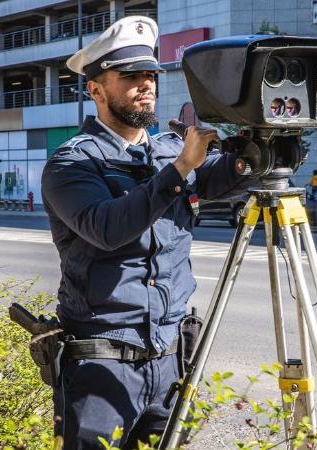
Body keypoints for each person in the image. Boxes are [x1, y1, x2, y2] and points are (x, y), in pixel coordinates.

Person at [40, 16, 254, 449]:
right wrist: (180, 170)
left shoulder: (171, 149)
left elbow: (229, 176)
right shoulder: (72, 164)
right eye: (131, 76)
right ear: (95, 89)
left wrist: (265, 145)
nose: (146, 85)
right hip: (101, 367)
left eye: (151, 75)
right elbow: (107, 228)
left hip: (172, 362)